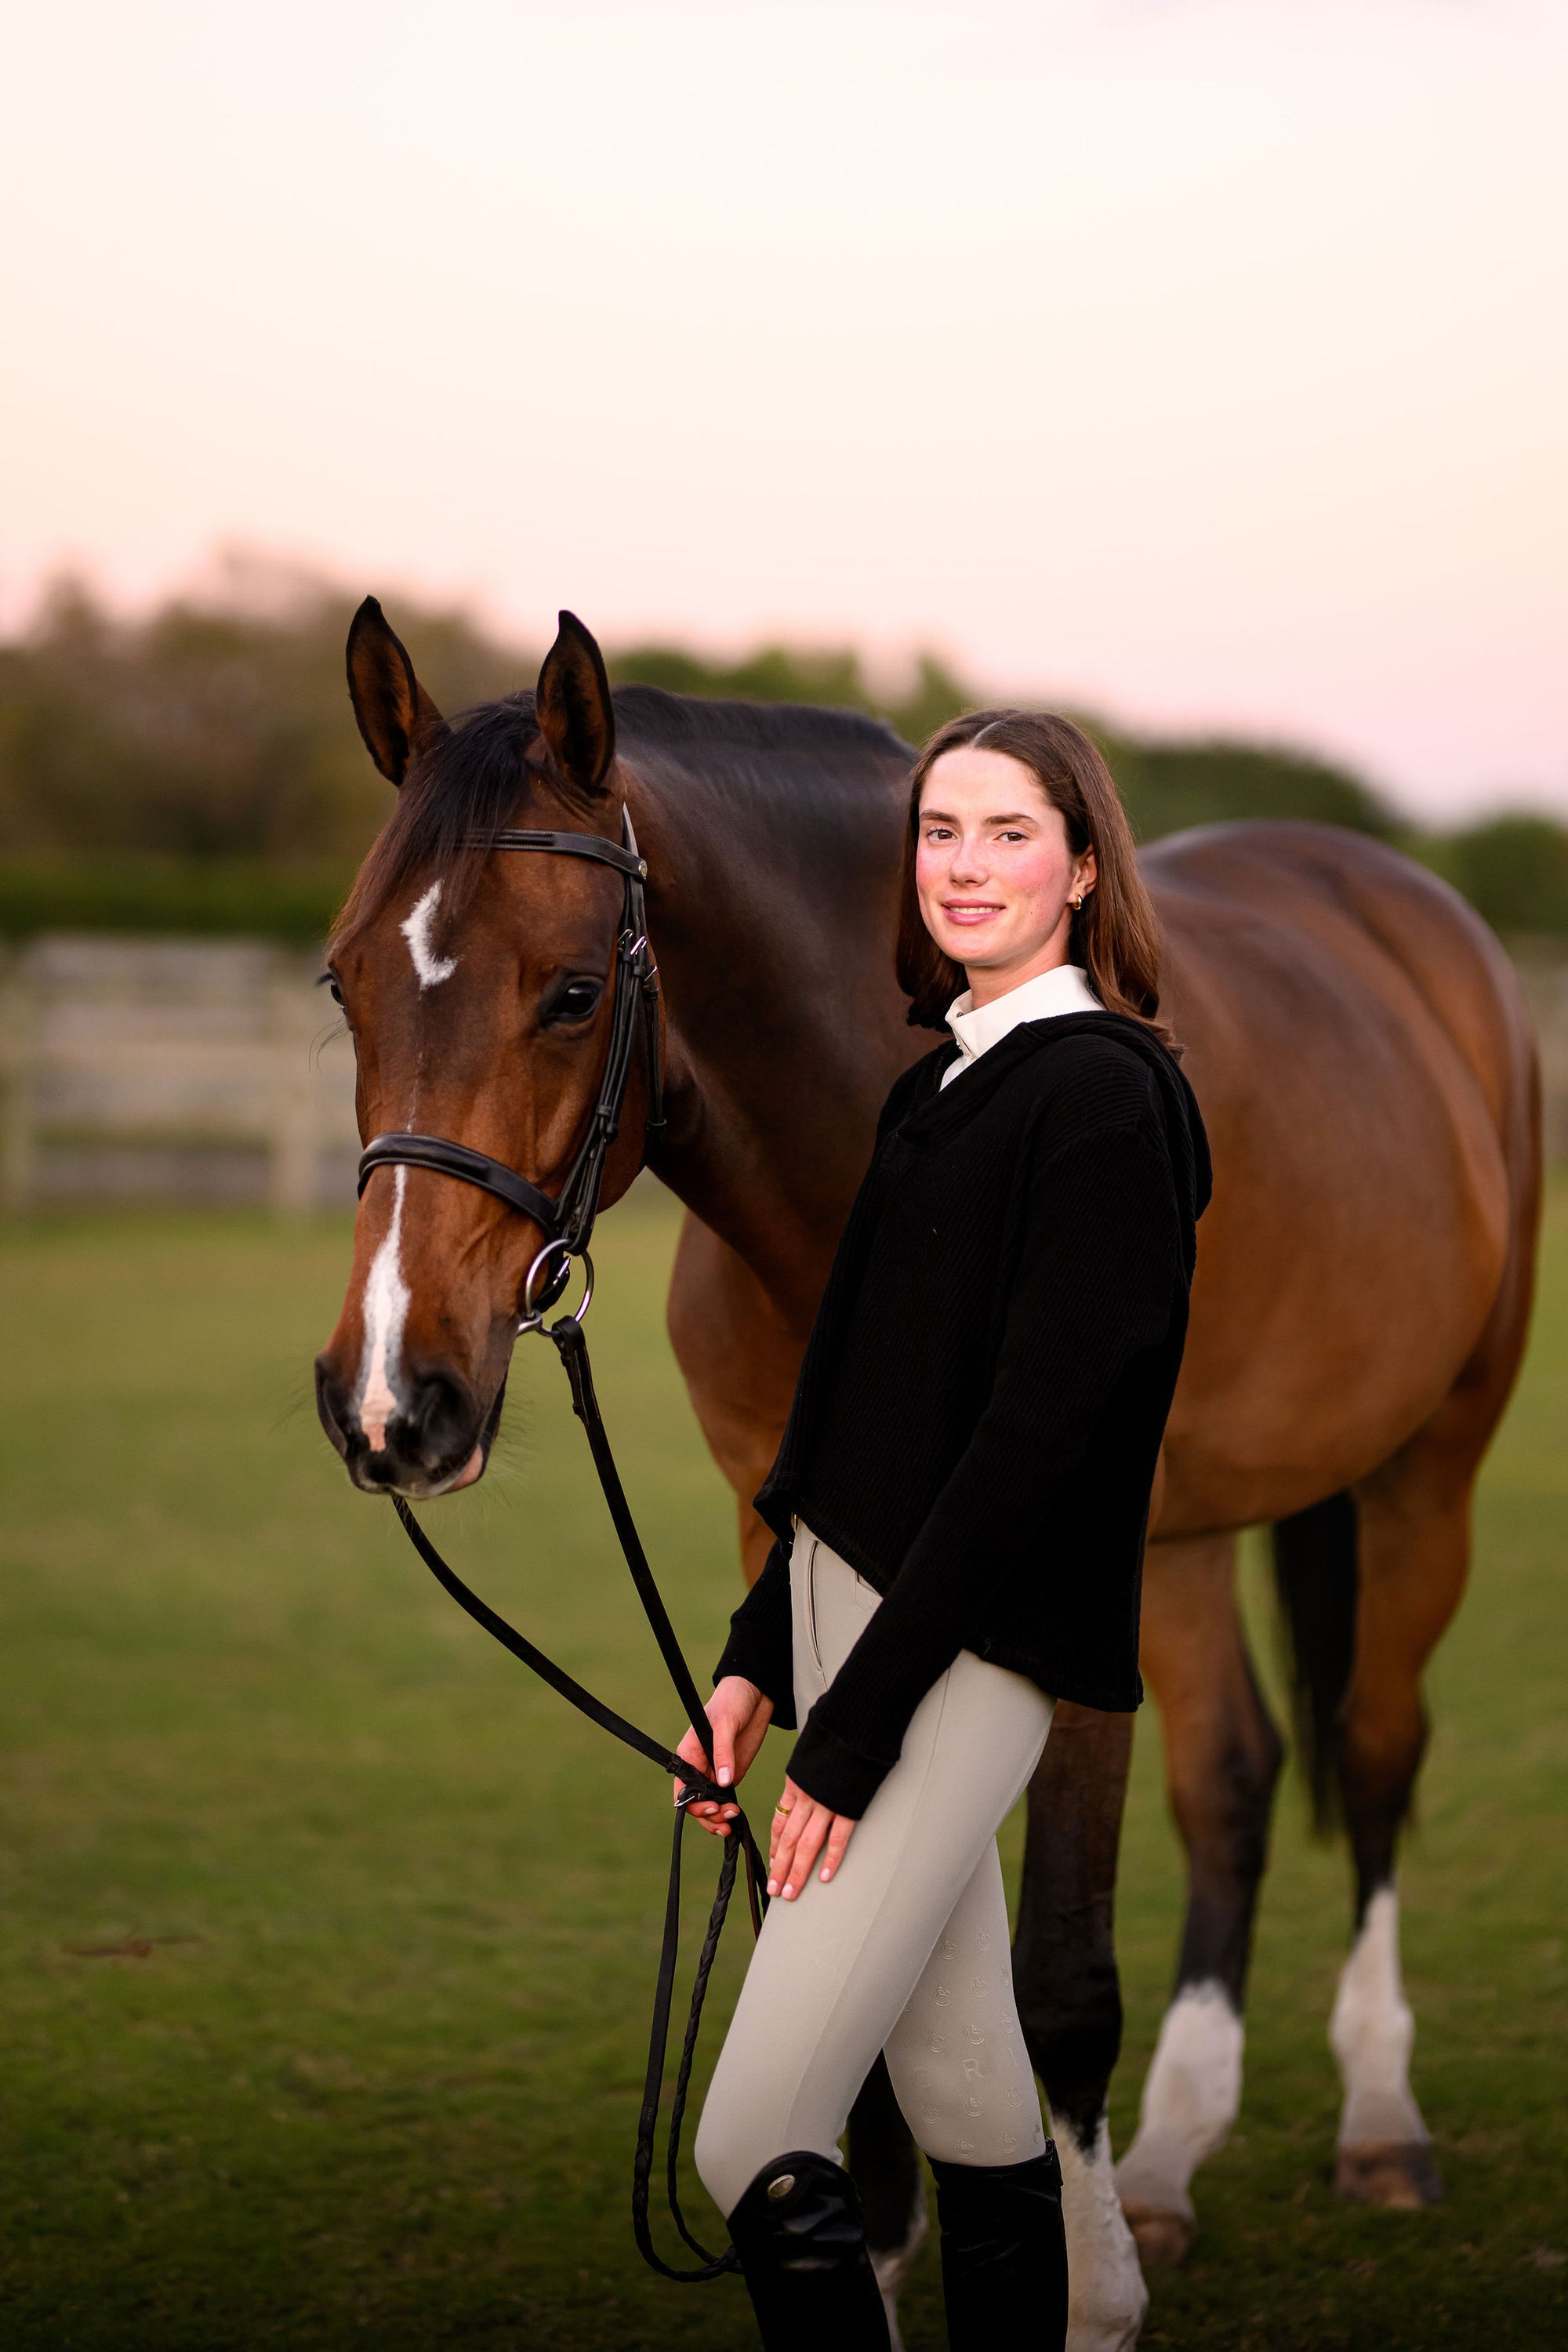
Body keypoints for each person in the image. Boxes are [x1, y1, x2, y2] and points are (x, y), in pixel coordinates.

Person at [674, 709, 1212, 2350]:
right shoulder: (939, 1086)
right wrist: (758, 1664)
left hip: (959, 1657)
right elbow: (846, 1425)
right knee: (971, 2095)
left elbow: (1029, 1452)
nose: (964, 867)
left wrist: (850, 1738)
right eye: (938, 831)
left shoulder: (1105, 1099)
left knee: (750, 2138)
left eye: (1008, 833)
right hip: (848, 1626)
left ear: (1083, 868)